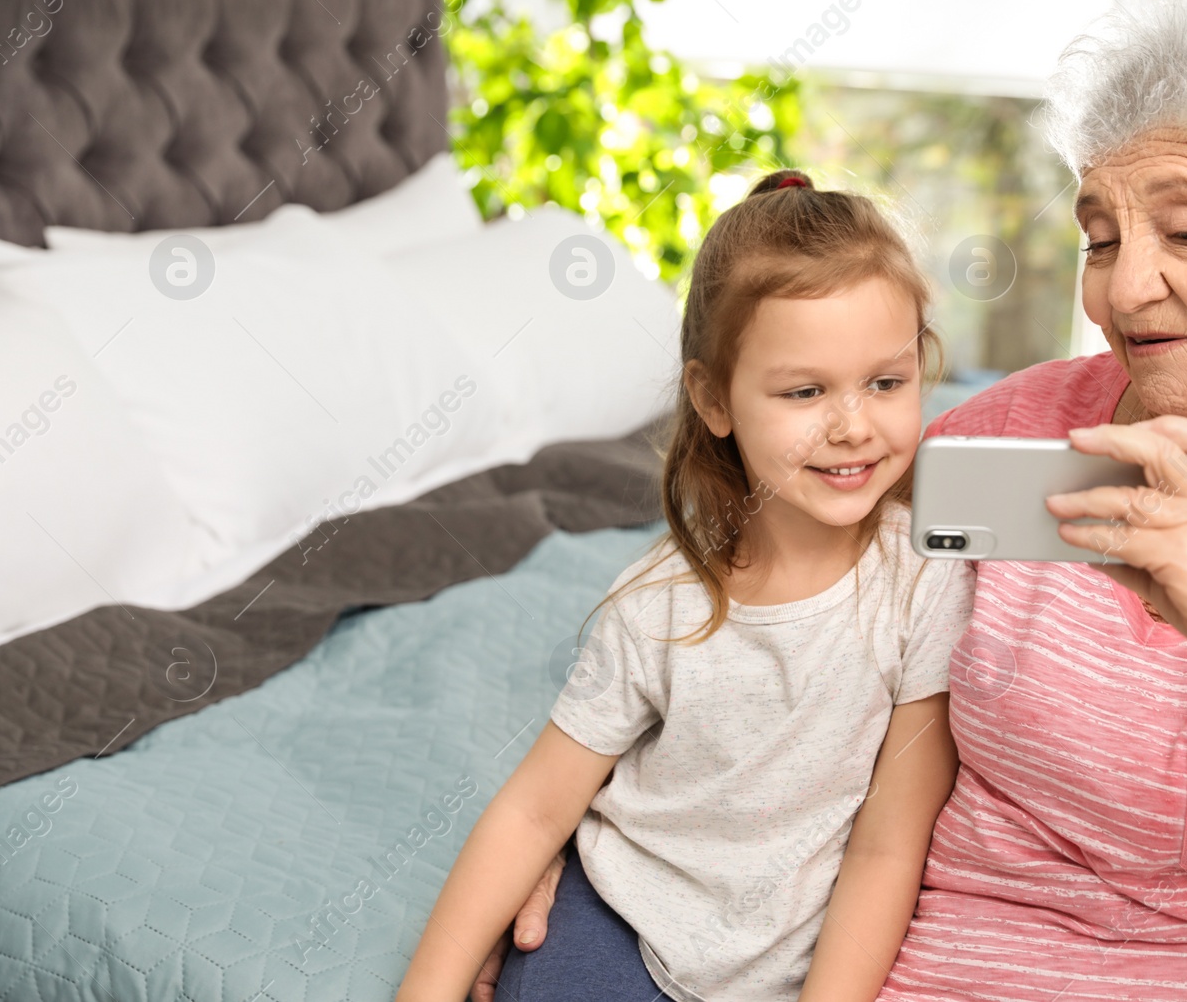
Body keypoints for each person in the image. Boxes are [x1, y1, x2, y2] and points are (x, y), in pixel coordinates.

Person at [509, 0, 1187, 1000]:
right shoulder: (1007, 439)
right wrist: (614, 847)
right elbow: (784, 595)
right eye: (1101, 237)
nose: (1121, 288)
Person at [395, 169, 977, 1002]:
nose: (853, 423)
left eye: (885, 382)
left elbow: (891, 842)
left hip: (794, 961)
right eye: (805, 390)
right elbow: (534, 809)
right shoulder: (657, 603)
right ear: (714, 398)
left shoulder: (925, 586)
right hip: (623, 926)